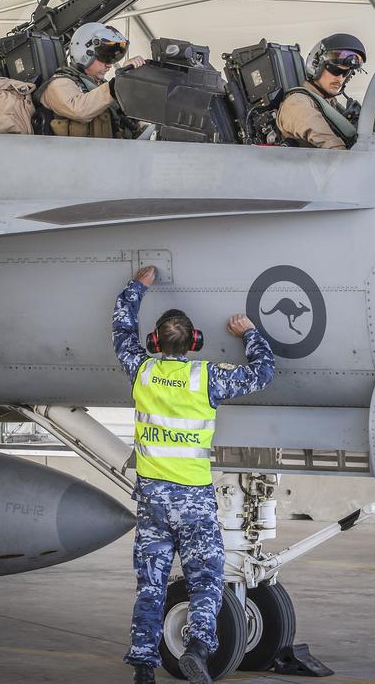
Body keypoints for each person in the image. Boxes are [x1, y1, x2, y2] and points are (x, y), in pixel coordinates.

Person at [112, 265, 275, 684]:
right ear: (195, 342)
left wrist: (137, 287)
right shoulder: (206, 378)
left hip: (152, 500)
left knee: (151, 586)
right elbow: (263, 372)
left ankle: (144, 670)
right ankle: (199, 647)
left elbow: (121, 328)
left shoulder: (141, 371)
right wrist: (248, 332)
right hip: (194, 500)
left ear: (155, 342)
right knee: (206, 579)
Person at [39, 21, 145, 138]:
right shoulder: (59, 84)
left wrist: (131, 78)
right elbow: (79, 110)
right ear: (83, 54)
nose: (109, 65)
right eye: (105, 57)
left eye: (112, 58)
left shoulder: (100, 86)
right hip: (75, 155)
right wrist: (119, 82)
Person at [276, 33, 367, 149]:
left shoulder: (328, 102)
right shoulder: (297, 103)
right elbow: (334, 146)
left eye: (346, 73)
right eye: (335, 70)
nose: (340, 78)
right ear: (316, 66)